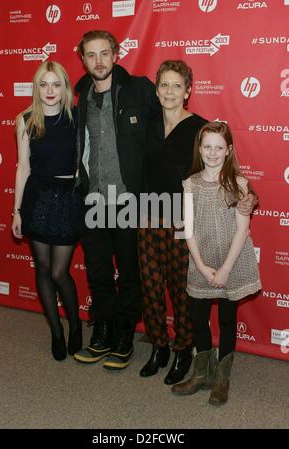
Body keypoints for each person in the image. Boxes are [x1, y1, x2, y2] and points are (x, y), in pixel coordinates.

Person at [73, 30, 160, 370]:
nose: (98, 61)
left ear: (116, 54)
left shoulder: (139, 89)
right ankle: (103, 332)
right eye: (91, 55)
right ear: (83, 59)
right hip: (93, 200)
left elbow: (165, 130)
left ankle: (124, 335)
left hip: (127, 201)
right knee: (97, 273)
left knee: (128, 273)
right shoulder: (80, 99)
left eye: (104, 53)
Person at [171, 121, 261, 405]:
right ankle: (201, 373)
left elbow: (242, 230)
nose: (212, 153)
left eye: (218, 148)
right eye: (207, 147)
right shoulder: (189, 184)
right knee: (197, 317)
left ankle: (221, 378)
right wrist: (198, 263)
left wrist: (225, 269)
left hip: (231, 264)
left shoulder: (239, 183)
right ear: (200, 148)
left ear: (228, 150)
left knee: (226, 318)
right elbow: (186, 229)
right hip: (200, 262)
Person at [138, 60, 207, 385]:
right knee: (151, 289)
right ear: (156, 90)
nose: (169, 91)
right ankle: (159, 347)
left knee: (181, 291)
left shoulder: (200, 129)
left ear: (188, 91)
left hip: (183, 222)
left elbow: (213, 175)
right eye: (163, 85)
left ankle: (182, 350)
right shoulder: (148, 124)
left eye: (176, 85)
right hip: (147, 218)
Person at [12, 61, 83, 361]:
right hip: (38, 199)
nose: (50, 90)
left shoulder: (76, 118)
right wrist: (16, 211)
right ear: (36, 88)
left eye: (56, 84)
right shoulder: (26, 120)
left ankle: (76, 326)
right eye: (44, 84)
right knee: (42, 269)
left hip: (68, 199)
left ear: (64, 87)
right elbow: (23, 168)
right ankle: (56, 331)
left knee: (59, 272)